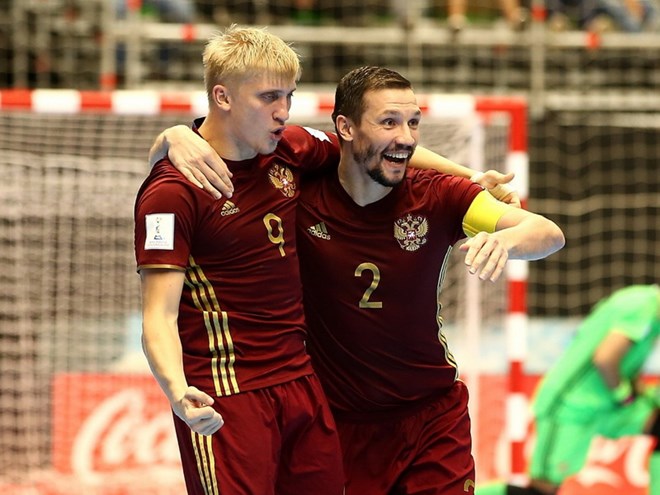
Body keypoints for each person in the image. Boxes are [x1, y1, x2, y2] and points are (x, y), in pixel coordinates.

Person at [155, 64, 565, 493]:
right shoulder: (296, 190)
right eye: (388, 122)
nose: (405, 137)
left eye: (413, 122)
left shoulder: (440, 196)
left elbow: (547, 233)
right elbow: (221, 142)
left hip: (432, 417)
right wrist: (173, 136)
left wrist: (507, 241)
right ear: (345, 128)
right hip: (338, 425)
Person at [134, 25, 345, 494]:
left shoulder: (288, 148)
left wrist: (472, 180)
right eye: (269, 96)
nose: (283, 111)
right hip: (228, 394)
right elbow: (157, 315)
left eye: (289, 95)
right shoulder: (172, 191)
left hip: (302, 383)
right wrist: (175, 389)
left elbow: (374, 150)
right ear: (222, 96)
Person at [477, 284, 660, 495]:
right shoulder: (640, 306)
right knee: (541, 491)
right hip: (570, 406)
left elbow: (625, 366)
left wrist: (640, 393)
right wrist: (624, 396)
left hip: (604, 403)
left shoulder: (649, 310)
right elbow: (605, 359)